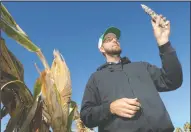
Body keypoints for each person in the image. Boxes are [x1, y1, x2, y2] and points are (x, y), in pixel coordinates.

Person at [80, 15, 183, 132]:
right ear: (101, 49)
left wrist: (163, 42)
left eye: (116, 38)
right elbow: (86, 115)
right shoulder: (96, 78)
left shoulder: (142, 66)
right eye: (108, 39)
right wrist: (110, 108)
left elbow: (172, 80)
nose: (115, 40)